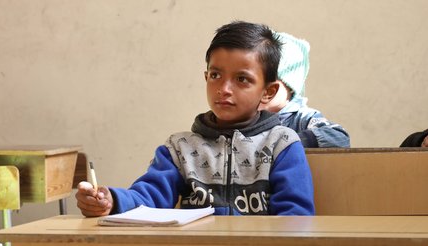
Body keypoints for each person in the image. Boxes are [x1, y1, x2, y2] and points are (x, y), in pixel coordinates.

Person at [76, 21, 315, 217]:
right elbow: (149, 197)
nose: (224, 88)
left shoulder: (281, 144)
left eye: (242, 79)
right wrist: (111, 200)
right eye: (215, 75)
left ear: (268, 92)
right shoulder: (180, 148)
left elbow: (296, 218)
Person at [259, 32, 350, 148]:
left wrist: (290, 142)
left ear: (291, 87)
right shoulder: (245, 115)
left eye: (268, 82)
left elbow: (339, 137)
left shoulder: (302, 118)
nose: (258, 89)